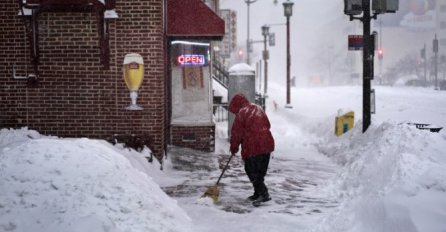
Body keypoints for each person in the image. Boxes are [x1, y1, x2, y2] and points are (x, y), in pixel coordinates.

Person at [228, 93, 275, 207]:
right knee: (260, 173)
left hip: (253, 146)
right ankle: (257, 193)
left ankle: (264, 194)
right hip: (266, 144)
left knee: (251, 171)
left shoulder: (242, 112)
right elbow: (267, 124)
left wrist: (234, 148)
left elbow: (237, 133)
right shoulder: (258, 108)